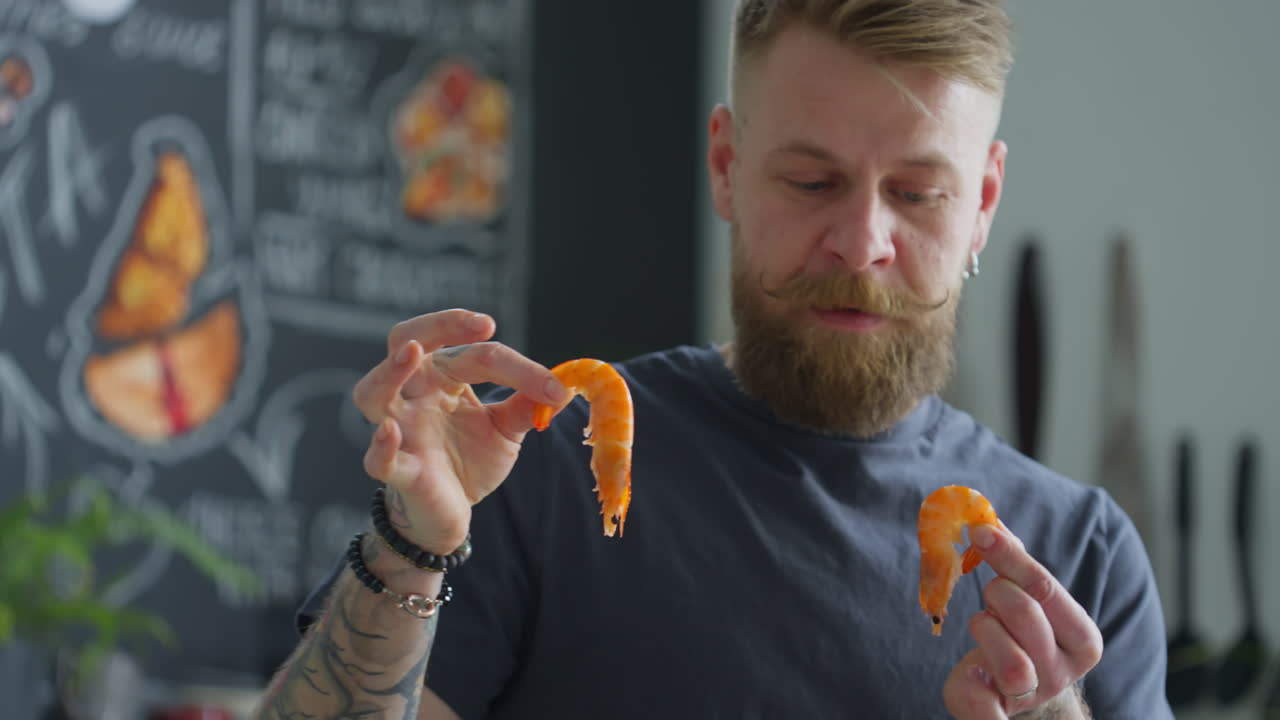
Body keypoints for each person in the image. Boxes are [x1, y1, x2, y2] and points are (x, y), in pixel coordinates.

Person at [257, 1, 1174, 718]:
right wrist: (412, 542)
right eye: (812, 182)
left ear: (982, 202)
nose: (861, 243)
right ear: (727, 166)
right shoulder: (535, 464)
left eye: (919, 193)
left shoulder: (1077, 562)